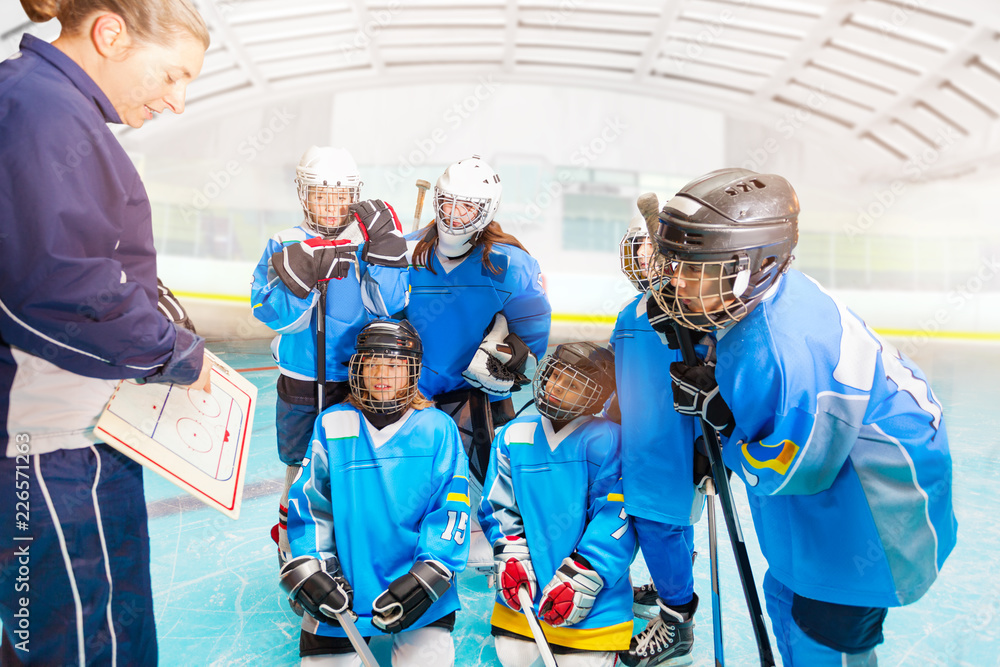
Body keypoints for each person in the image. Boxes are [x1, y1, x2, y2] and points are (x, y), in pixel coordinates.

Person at [646, 168, 957, 666]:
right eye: (678, 264)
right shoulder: (754, 295)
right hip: (832, 498)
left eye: (698, 269)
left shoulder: (793, 355)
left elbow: (793, 471)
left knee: (824, 636)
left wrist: (721, 422)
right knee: (789, 602)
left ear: (760, 263)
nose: (679, 282)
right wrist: (701, 343)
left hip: (869, 516)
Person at [0, 1, 212, 664]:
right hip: (52, 448)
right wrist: (175, 351)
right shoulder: (42, 111)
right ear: (111, 34)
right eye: (174, 75)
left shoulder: (51, 107)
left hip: (68, 443)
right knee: (89, 645)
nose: (178, 102)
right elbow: (62, 283)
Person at [251, 146, 409, 564]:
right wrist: (299, 279)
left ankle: (351, 543)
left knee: (353, 463)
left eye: (340, 196)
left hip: (352, 379)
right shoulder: (282, 243)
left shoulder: (364, 243)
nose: (331, 205)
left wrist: (388, 253)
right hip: (300, 380)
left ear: (354, 195)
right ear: (304, 194)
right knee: (299, 463)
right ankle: (291, 541)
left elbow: (388, 305)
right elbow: (267, 312)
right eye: (322, 194)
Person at [283, 319, 470, 666]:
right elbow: (310, 506)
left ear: (412, 370)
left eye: (395, 365)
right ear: (359, 369)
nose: (382, 373)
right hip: (344, 589)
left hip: (419, 585)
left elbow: (452, 507)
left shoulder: (437, 427)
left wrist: (430, 571)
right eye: (372, 363)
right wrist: (318, 565)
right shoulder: (332, 422)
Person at [404, 155, 551, 567]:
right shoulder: (406, 251)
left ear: (485, 211)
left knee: (494, 473)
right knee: (411, 474)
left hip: (472, 394)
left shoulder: (510, 264)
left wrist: (512, 360)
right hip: (409, 394)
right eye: (447, 202)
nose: (453, 214)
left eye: (466, 206)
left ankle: (506, 549)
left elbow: (532, 330)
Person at [479, 341, 637, 667]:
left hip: (593, 605)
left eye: (575, 385)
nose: (558, 387)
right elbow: (498, 504)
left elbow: (618, 516)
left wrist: (586, 573)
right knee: (513, 658)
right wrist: (511, 552)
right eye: (556, 376)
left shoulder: (611, 441)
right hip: (522, 597)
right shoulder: (513, 435)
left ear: (596, 397)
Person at [609, 219, 704, 667]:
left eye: (652, 251)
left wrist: (707, 443)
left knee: (660, 523)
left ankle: (676, 620)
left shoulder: (693, 313)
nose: (643, 258)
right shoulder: (630, 311)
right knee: (656, 523)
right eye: (640, 251)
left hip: (672, 441)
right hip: (638, 439)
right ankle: (671, 587)